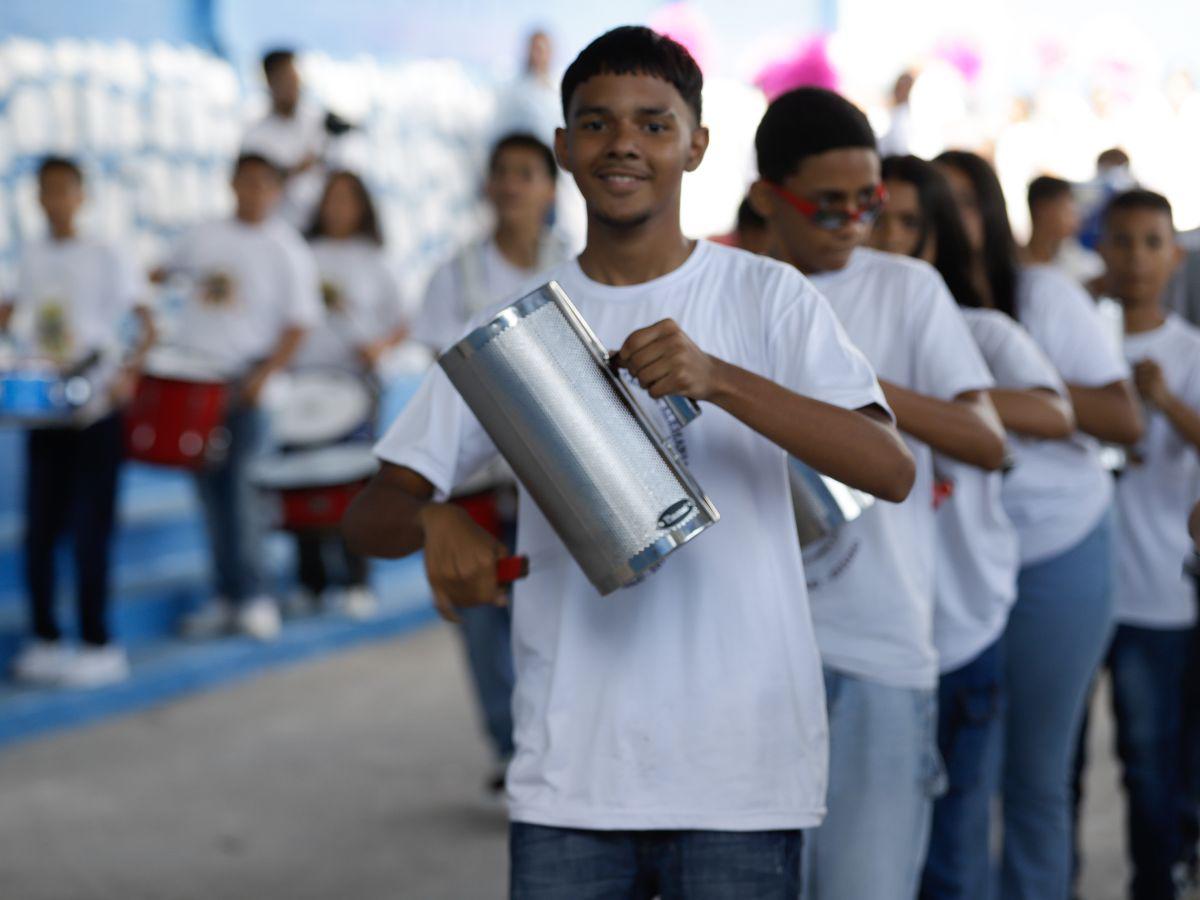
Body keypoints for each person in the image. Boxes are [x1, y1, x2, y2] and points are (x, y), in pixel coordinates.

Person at [345, 26, 917, 897]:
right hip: (571, 779)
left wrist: (720, 380)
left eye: (654, 123)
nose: (624, 143)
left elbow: (889, 468)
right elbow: (371, 515)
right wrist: (432, 516)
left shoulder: (766, 296)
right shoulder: (515, 330)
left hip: (743, 780)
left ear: (697, 144)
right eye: (598, 123)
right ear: (564, 147)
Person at [750, 91, 1006, 899]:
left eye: (870, 201)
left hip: (879, 651)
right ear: (767, 199)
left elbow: (987, 440)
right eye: (831, 207)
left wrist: (856, 388)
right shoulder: (730, 288)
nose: (857, 221)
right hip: (751, 655)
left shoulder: (906, 289)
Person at [936, 148, 1143, 898]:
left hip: (1058, 551)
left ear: (990, 210)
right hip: (957, 558)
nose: (948, 216)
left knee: (1035, 777)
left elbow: (1124, 418)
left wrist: (1000, 388)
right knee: (962, 784)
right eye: (935, 199)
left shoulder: (1044, 295)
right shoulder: (912, 298)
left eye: (964, 200)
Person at [873, 154, 1077, 899]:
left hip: (962, 629)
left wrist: (924, 394)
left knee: (956, 856)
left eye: (908, 223)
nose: (887, 239)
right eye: (872, 218)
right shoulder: (812, 325)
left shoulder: (978, 331)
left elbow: (1054, 413)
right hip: (869, 638)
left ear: (938, 240)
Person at [1081, 189, 1200, 898]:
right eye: (1121, 241)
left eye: (1151, 242)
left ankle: (1155, 880)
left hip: (1156, 586)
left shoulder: (1187, 350)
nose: (1135, 258)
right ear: (1101, 249)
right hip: (1074, 575)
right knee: (1059, 757)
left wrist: (1162, 401)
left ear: (1173, 255)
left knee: (1149, 756)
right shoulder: (1082, 338)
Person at [0, 156, 155, 688]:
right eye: (45, 191)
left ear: (81, 196)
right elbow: (11, 311)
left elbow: (145, 321)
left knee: (92, 531)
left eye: (64, 190)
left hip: (94, 410)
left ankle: (99, 642)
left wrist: (127, 374)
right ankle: (46, 638)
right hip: (43, 408)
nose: (55, 201)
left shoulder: (107, 253)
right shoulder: (32, 253)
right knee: (40, 531)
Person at [154, 153, 321, 641]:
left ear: (277, 190)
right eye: (245, 182)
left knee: (244, 491)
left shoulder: (286, 248)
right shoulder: (205, 235)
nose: (253, 192)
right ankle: (226, 595)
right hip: (197, 383)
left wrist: (263, 376)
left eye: (264, 184)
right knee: (209, 493)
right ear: (232, 184)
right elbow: (163, 273)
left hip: (248, 385)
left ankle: (256, 595)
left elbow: (300, 324)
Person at [288, 170, 408, 619]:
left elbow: (402, 321)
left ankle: (356, 578)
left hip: (355, 384)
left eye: (346, 200)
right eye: (330, 199)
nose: (337, 208)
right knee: (301, 480)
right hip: (304, 384)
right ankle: (311, 579)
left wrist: (379, 347)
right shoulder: (301, 255)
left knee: (352, 485)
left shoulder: (375, 260)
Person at [242, 49, 360, 229]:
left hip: (325, 226)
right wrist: (295, 170)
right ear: (270, 82)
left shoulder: (322, 122)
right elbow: (252, 185)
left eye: (295, 78)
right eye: (285, 79)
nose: (293, 86)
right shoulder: (256, 136)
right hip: (280, 225)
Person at [1022, 175, 1104, 284]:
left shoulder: (1083, 264)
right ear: (1042, 209)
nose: (1076, 221)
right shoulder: (1016, 264)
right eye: (1068, 212)